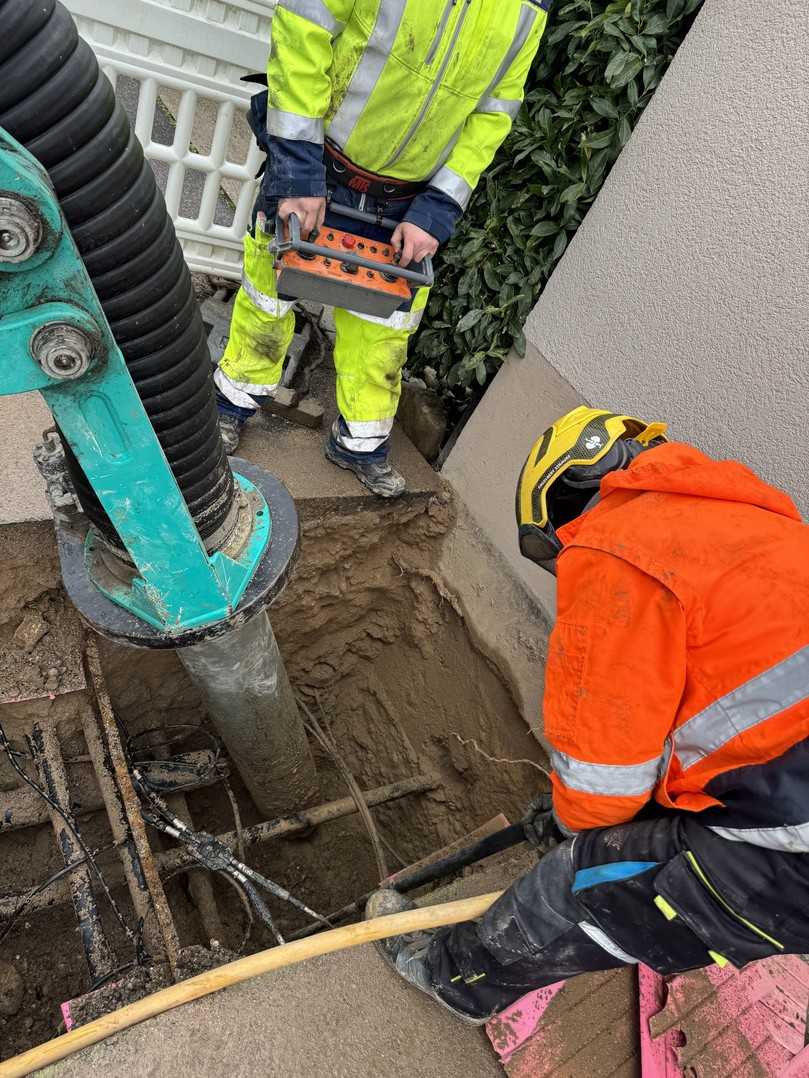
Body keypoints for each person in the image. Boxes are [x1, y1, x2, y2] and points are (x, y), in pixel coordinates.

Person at [367, 406, 809, 1023]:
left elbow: (603, 781)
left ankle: (455, 979)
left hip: (794, 848)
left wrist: (578, 828)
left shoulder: (613, 553)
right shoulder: (745, 520)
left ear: (562, 506)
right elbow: (729, 713)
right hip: (791, 792)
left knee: (589, 879)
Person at [214, 0, 551, 497]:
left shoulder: (529, 8)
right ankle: (231, 405)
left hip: (409, 202)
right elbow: (304, 32)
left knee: (386, 330)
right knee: (269, 294)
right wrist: (299, 169)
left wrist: (438, 207)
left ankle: (360, 441)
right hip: (323, 165)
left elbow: (493, 114)